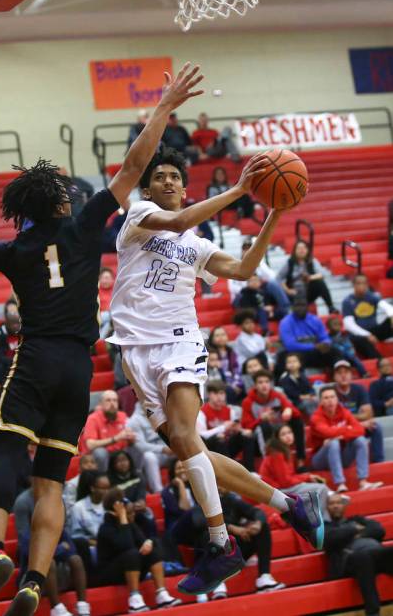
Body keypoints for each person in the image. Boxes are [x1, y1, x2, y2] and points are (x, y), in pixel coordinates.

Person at [0, 62, 207, 616]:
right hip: (79, 367)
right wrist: (165, 108)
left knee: (5, 451)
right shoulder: (86, 224)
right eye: (66, 192)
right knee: (51, 480)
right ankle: (33, 580)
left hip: (36, 358)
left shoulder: (10, 251)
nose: (73, 195)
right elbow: (135, 164)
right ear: (55, 202)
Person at [106, 143, 324, 596]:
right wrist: (242, 188)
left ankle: (222, 545)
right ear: (148, 187)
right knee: (191, 454)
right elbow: (179, 221)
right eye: (160, 176)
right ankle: (291, 502)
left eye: (175, 177)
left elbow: (244, 268)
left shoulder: (198, 246)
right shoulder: (139, 215)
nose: (168, 182)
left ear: (185, 188)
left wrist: (276, 212)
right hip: (135, 352)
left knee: (187, 441)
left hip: (180, 341)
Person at [96, 488, 181, 611]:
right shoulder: (106, 528)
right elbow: (126, 545)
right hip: (110, 573)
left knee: (152, 548)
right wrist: (123, 518)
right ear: (117, 510)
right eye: (128, 512)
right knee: (132, 554)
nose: (132, 515)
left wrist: (148, 543)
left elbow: (143, 541)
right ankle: (134, 599)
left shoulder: (130, 524)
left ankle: (161, 594)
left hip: (132, 567)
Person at [14, 485, 91, 616]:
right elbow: (30, 549)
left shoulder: (57, 514)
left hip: (58, 574)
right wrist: (60, 548)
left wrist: (56, 549)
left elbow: (71, 547)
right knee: (49, 563)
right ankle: (56, 608)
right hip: (32, 578)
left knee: (76, 559)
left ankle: (82, 605)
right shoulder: (24, 512)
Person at [324, 493, 393, 616]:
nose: (335, 506)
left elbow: (378, 529)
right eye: (331, 503)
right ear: (327, 507)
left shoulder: (357, 519)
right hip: (351, 560)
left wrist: (356, 534)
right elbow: (330, 539)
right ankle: (373, 612)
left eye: (338, 503)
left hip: (377, 554)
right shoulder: (326, 527)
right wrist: (355, 529)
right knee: (363, 556)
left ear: (344, 505)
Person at [310, 386, 383, 493]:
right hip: (320, 459)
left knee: (360, 440)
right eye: (326, 398)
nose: (330, 400)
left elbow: (360, 430)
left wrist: (341, 434)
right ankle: (340, 484)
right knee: (333, 443)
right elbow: (328, 432)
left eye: (332, 397)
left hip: (341, 455)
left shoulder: (344, 411)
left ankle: (363, 482)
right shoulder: (316, 417)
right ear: (321, 402)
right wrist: (347, 429)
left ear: (337, 399)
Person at [259, 425, 331, 519]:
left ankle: (319, 519)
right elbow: (286, 482)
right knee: (321, 489)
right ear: (277, 438)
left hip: (281, 488)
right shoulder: (277, 454)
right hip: (276, 491)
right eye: (283, 434)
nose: (288, 436)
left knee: (318, 489)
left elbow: (290, 476)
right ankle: (321, 521)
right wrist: (307, 477)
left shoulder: (285, 451)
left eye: (289, 432)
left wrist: (308, 477)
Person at [241, 370, 306, 466]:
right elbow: (247, 427)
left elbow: (297, 413)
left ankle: (300, 461)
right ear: (255, 385)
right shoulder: (248, 402)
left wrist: (289, 410)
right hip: (259, 439)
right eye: (260, 382)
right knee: (264, 425)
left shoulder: (277, 396)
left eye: (267, 382)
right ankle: (268, 463)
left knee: (297, 422)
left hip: (278, 433)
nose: (264, 385)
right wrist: (261, 419)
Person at [333, 360, 384, 463]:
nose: (343, 376)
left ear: (351, 375)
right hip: (339, 429)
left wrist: (346, 417)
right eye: (339, 373)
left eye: (346, 372)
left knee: (375, 427)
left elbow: (368, 413)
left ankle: (378, 461)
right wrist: (358, 417)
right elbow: (333, 418)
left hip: (356, 426)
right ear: (334, 377)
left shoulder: (359, 389)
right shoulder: (330, 391)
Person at [198, 380, 255, 471]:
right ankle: (228, 471)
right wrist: (222, 428)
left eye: (221, 393)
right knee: (219, 439)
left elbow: (233, 431)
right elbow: (202, 434)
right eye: (215, 393)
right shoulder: (202, 412)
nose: (219, 397)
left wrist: (240, 430)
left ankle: (251, 471)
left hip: (227, 446)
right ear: (209, 394)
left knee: (247, 437)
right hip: (211, 448)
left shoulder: (230, 411)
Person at [228, 237, 290, 316]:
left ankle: (286, 309)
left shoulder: (259, 264)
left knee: (273, 284)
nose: (247, 251)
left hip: (258, 294)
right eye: (245, 249)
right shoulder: (236, 265)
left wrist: (259, 265)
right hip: (243, 297)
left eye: (250, 249)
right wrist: (251, 286)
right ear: (242, 251)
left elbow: (273, 277)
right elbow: (233, 288)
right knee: (245, 295)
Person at [278, 297, 340, 374]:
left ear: (307, 307)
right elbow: (290, 345)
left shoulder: (315, 319)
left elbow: (324, 337)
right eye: (297, 305)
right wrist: (314, 346)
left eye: (303, 305)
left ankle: (336, 375)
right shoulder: (285, 322)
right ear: (293, 307)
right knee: (286, 358)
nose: (300, 308)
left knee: (334, 351)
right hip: (296, 352)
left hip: (314, 351)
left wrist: (326, 343)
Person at [80, 390, 138, 471]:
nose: (112, 403)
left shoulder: (123, 416)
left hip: (118, 454)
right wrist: (116, 438)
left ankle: (136, 475)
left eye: (115, 400)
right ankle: (102, 480)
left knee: (136, 447)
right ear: (101, 404)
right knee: (100, 453)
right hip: (98, 456)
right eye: (108, 400)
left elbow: (131, 440)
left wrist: (132, 439)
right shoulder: (92, 418)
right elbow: (90, 445)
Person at [342, 273, 393, 360]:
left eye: (364, 283)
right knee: (360, 339)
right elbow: (349, 325)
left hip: (374, 331)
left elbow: (388, 307)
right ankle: (381, 362)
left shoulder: (372, 296)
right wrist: (367, 335)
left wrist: (392, 317)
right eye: (359, 283)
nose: (362, 286)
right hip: (358, 335)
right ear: (353, 285)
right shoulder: (347, 302)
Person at [127, 402, 175, 493]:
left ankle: (184, 485)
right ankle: (158, 491)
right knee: (149, 456)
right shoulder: (134, 420)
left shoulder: (160, 412)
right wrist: (163, 449)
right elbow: (141, 446)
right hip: (148, 456)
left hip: (166, 449)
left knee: (182, 450)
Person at [107, 450, 157, 539]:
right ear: (113, 465)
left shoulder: (138, 475)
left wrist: (141, 501)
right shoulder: (110, 480)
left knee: (148, 515)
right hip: (120, 510)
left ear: (130, 461)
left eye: (125, 460)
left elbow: (141, 493)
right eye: (118, 461)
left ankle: (153, 541)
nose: (123, 463)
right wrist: (127, 504)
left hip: (136, 508)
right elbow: (115, 498)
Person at [277, 240, 337, 313]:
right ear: (295, 251)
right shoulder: (289, 263)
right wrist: (288, 290)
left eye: (304, 248)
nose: (302, 250)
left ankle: (331, 307)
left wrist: (310, 277)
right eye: (299, 248)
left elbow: (323, 274)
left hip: (308, 292)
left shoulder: (312, 261)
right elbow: (278, 278)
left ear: (307, 250)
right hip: (294, 293)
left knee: (320, 282)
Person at [278, 352, 318, 417]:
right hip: (296, 402)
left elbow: (310, 387)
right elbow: (291, 393)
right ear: (286, 365)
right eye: (289, 362)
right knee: (308, 403)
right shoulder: (285, 378)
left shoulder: (302, 375)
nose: (292, 364)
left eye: (294, 361)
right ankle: (314, 420)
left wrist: (312, 394)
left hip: (307, 397)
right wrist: (304, 397)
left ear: (299, 363)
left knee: (318, 399)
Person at [207, 326, 243, 398]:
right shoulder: (211, 354)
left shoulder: (232, 352)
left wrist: (237, 384)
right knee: (229, 390)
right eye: (217, 335)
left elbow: (236, 370)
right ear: (212, 339)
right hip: (220, 382)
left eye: (223, 335)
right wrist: (232, 386)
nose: (221, 337)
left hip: (234, 382)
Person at [0, 310, 21, 383]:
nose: (16, 326)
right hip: (4, 368)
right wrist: (14, 361)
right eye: (13, 323)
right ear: (6, 323)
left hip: (20, 366)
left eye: (18, 323)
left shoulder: (23, 333)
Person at [98, 267, 115, 339]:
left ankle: (99, 340)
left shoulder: (117, 289)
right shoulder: (96, 290)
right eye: (102, 278)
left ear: (112, 279)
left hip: (114, 317)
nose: (104, 281)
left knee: (109, 322)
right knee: (108, 319)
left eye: (107, 278)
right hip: (99, 317)